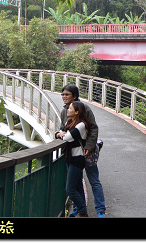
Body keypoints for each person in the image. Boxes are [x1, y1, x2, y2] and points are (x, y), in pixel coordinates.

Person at [57, 84, 106, 218]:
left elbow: (93, 128)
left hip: (86, 152)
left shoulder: (84, 109)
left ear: (75, 96)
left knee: (94, 180)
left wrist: (89, 147)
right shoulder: (64, 111)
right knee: (76, 181)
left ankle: (100, 210)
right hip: (73, 153)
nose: (63, 97)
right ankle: (78, 208)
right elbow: (63, 129)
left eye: (67, 94)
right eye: (62, 94)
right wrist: (59, 133)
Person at [56, 101, 91, 217]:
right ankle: (82, 211)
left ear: (77, 112)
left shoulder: (81, 125)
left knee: (70, 189)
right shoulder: (69, 122)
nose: (68, 110)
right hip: (70, 158)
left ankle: (83, 210)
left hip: (77, 158)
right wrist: (59, 133)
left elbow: (67, 137)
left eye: (70, 108)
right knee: (78, 186)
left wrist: (61, 134)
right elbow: (60, 132)